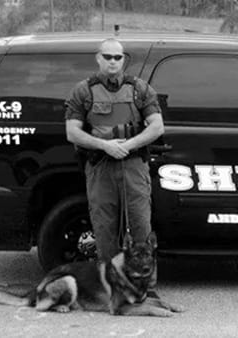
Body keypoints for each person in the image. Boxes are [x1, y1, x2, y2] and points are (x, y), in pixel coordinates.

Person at [64, 38, 164, 263]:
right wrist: (105, 146)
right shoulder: (83, 91)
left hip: (133, 166)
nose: (112, 61)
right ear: (98, 58)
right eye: (107, 56)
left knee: (141, 227)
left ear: (123, 59)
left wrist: (128, 146)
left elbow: (157, 126)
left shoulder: (139, 89)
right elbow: (72, 132)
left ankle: (145, 288)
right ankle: (109, 287)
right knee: (104, 227)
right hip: (101, 166)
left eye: (117, 57)